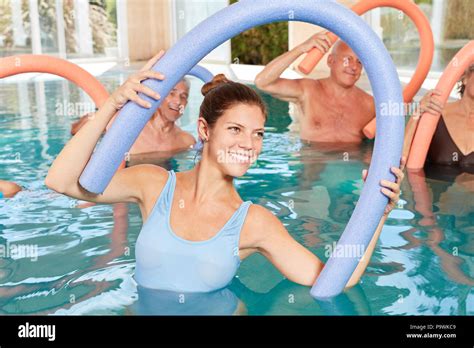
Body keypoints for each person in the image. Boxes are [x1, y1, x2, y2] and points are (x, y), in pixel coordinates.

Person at [45, 51, 404, 293]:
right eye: (235, 129)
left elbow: (333, 282)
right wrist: (112, 105)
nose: (249, 143)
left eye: (258, 133)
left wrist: (376, 214)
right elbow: (60, 181)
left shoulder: (255, 223)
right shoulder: (152, 184)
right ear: (204, 130)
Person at [255, 32, 374, 143]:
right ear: (331, 61)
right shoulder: (308, 90)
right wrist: (301, 49)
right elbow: (263, 82)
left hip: (353, 164)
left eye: (359, 62)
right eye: (348, 59)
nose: (354, 67)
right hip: (313, 162)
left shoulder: (370, 105)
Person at [420, 64, 474, 173]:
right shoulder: (435, 113)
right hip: (427, 188)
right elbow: (401, 159)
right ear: (466, 78)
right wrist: (417, 114)